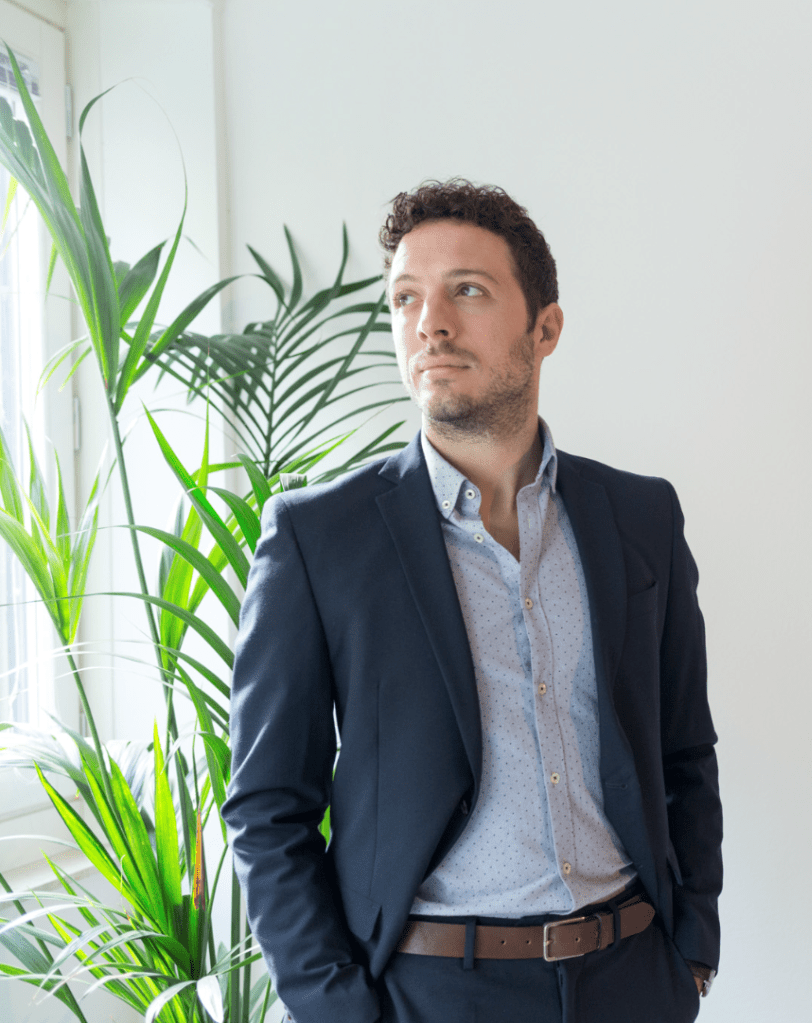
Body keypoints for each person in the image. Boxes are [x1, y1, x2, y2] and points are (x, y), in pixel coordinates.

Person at [221, 179, 723, 1023]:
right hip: (434, 992)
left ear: (545, 328)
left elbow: (685, 750)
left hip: (632, 977)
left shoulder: (640, 517)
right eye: (406, 298)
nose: (431, 324)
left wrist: (693, 950)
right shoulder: (320, 537)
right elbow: (268, 806)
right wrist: (338, 1009)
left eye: (468, 290)